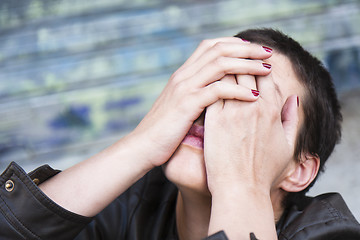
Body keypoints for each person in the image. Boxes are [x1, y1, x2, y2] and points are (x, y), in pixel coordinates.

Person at [0, 28, 359, 240]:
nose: (214, 113)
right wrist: (143, 143)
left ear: (299, 169)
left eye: (250, 101)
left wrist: (239, 183)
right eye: (212, 84)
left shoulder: (329, 233)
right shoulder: (135, 202)